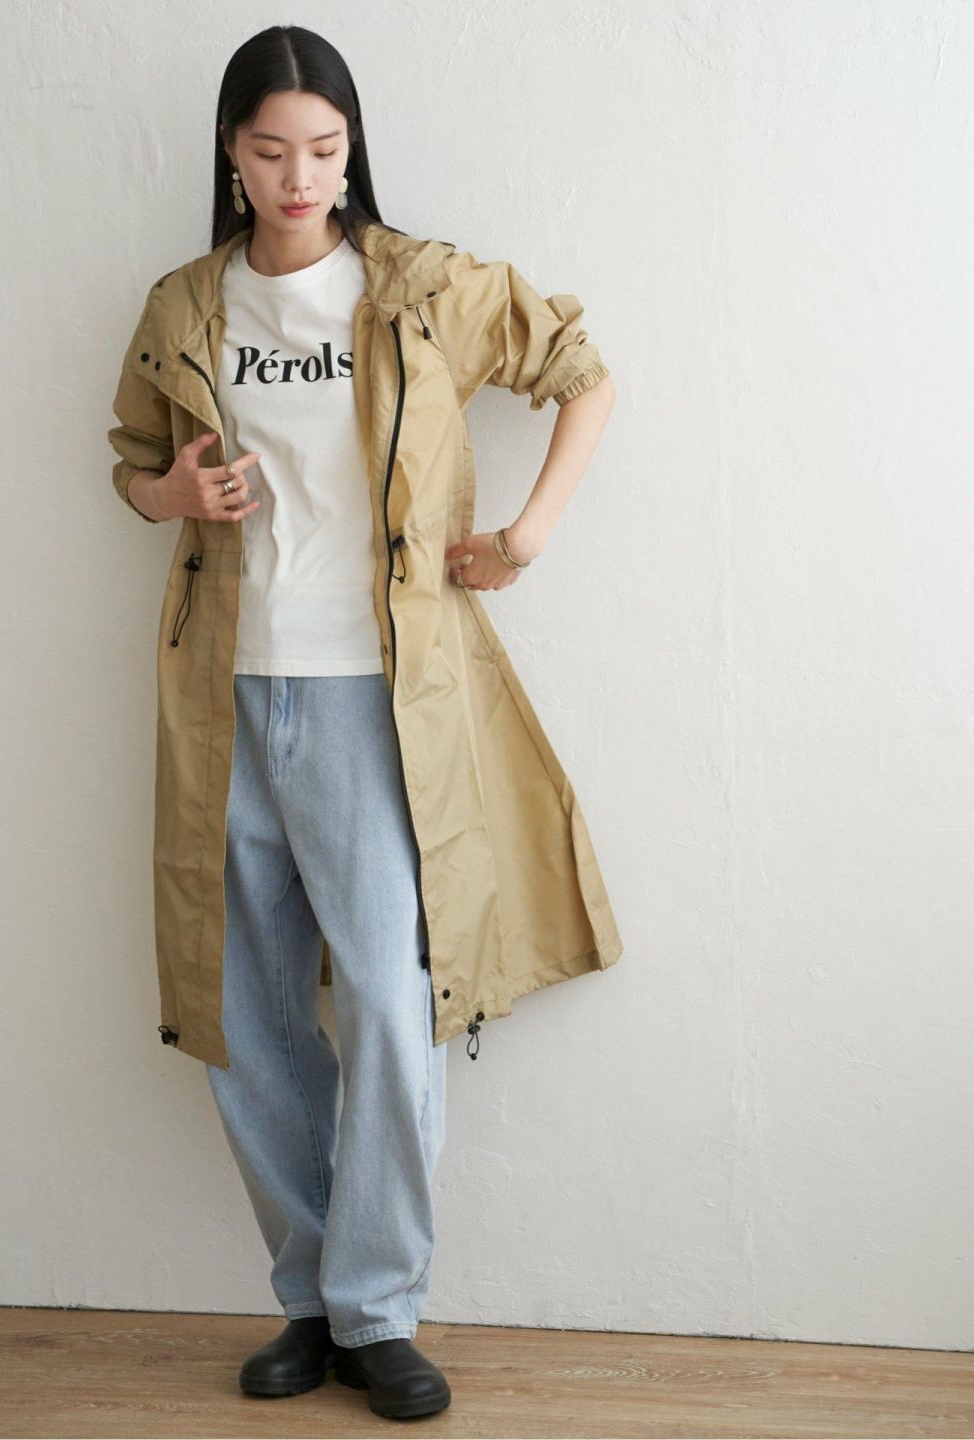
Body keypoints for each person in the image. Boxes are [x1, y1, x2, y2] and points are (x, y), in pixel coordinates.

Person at [107, 24, 622, 1424]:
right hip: (221, 695)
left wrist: (525, 534)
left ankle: (379, 1308)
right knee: (248, 1011)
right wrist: (174, 497)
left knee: (395, 1003)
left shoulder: (417, 287)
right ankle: (310, 1303)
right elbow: (133, 462)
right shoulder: (184, 306)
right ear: (231, 154)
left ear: (352, 152)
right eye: (272, 150)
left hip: (374, 699)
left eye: (325, 150)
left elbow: (581, 371)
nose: (300, 177)